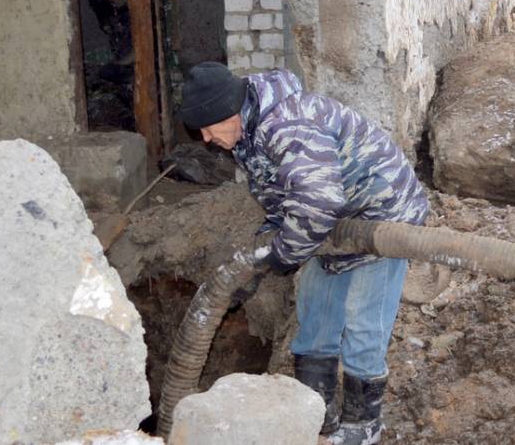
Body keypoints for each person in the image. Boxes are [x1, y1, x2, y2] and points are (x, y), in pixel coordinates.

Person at [179, 62, 429, 445]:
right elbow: (283, 198)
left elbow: (316, 202)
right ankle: (318, 414)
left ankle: (363, 427)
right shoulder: (248, 132)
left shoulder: (287, 125)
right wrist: (259, 260)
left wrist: (283, 255)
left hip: (382, 222)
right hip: (332, 229)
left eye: (210, 126)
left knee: (362, 326)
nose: (207, 137)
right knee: (314, 321)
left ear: (230, 110)